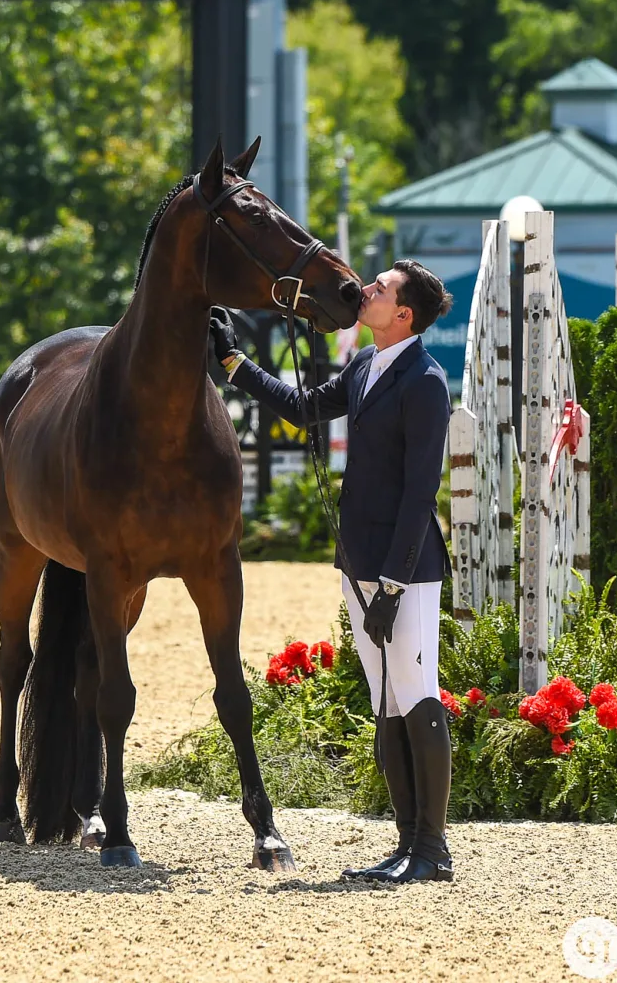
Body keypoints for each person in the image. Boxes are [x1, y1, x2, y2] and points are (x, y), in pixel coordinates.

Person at [208, 259, 454, 884]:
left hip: (406, 570)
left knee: (418, 695)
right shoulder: (367, 367)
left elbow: (421, 490)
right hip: (359, 561)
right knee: (387, 699)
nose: (366, 290)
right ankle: (405, 843)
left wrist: (393, 586)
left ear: (404, 314)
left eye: (380, 288)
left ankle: (431, 849)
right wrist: (236, 365)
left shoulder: (425, 381)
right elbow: (304, 406)